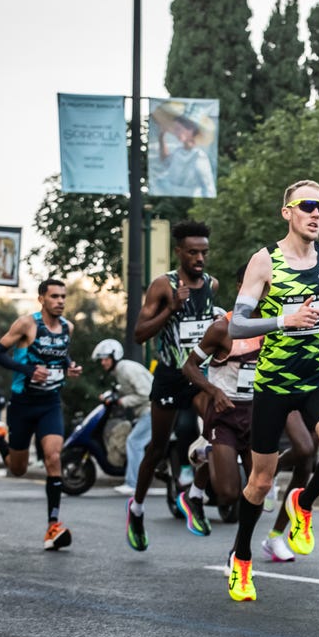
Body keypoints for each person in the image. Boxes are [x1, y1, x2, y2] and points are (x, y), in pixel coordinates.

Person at [224, 180, 319, 601]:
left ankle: (303, 503)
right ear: (287, 213)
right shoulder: (265, 261)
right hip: (274, 383)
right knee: (259, 481)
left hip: (317, 378)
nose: (316, 214)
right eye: (307, 206)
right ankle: (241, 558)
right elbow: (237, 325)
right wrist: (283, 321)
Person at [125, 220, 218, 551]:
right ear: (179, 252)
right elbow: (138, 333)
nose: (199, 259)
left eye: (203, 252)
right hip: (169, 375)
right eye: (192, 253)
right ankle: (136, 509)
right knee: (158, 448)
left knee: (216, 433)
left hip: (199, 374)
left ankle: (194, 496)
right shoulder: (162, 286)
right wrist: (170, 310)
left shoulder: (211, 285)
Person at [0, 278, 83, 550]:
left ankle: (53, 526)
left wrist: (70, 367)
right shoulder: (27, 324)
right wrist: (29, 371)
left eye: (63, 296)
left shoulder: (67, 327)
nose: (60, 301)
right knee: (18, 469)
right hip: (23, 404)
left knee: (53, 457)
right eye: (54, 296)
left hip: (50, 402)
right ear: (42, 299)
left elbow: (61, 355)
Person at [181, 263, 262, 541]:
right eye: (256, 284)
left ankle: (242, 550)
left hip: (257, 413)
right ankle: (202, 468)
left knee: (258, 487)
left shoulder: (275, 325)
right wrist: (213, 392)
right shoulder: (222, 328)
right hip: (225, 412)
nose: (263, 291)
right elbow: (189, 366)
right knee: (228, 494)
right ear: (241, 288)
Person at [90, 339, 153, 497]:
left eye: (106, 359)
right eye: (102, 360)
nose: (103, 363)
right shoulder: (120, 371)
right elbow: (126, 389)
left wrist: (121, 401)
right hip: (145, 411)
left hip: (152, 411)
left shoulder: (127, 369)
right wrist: (110, 395)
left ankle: (134, 484)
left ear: (114, 357)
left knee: (134, 442)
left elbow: (146, 393)